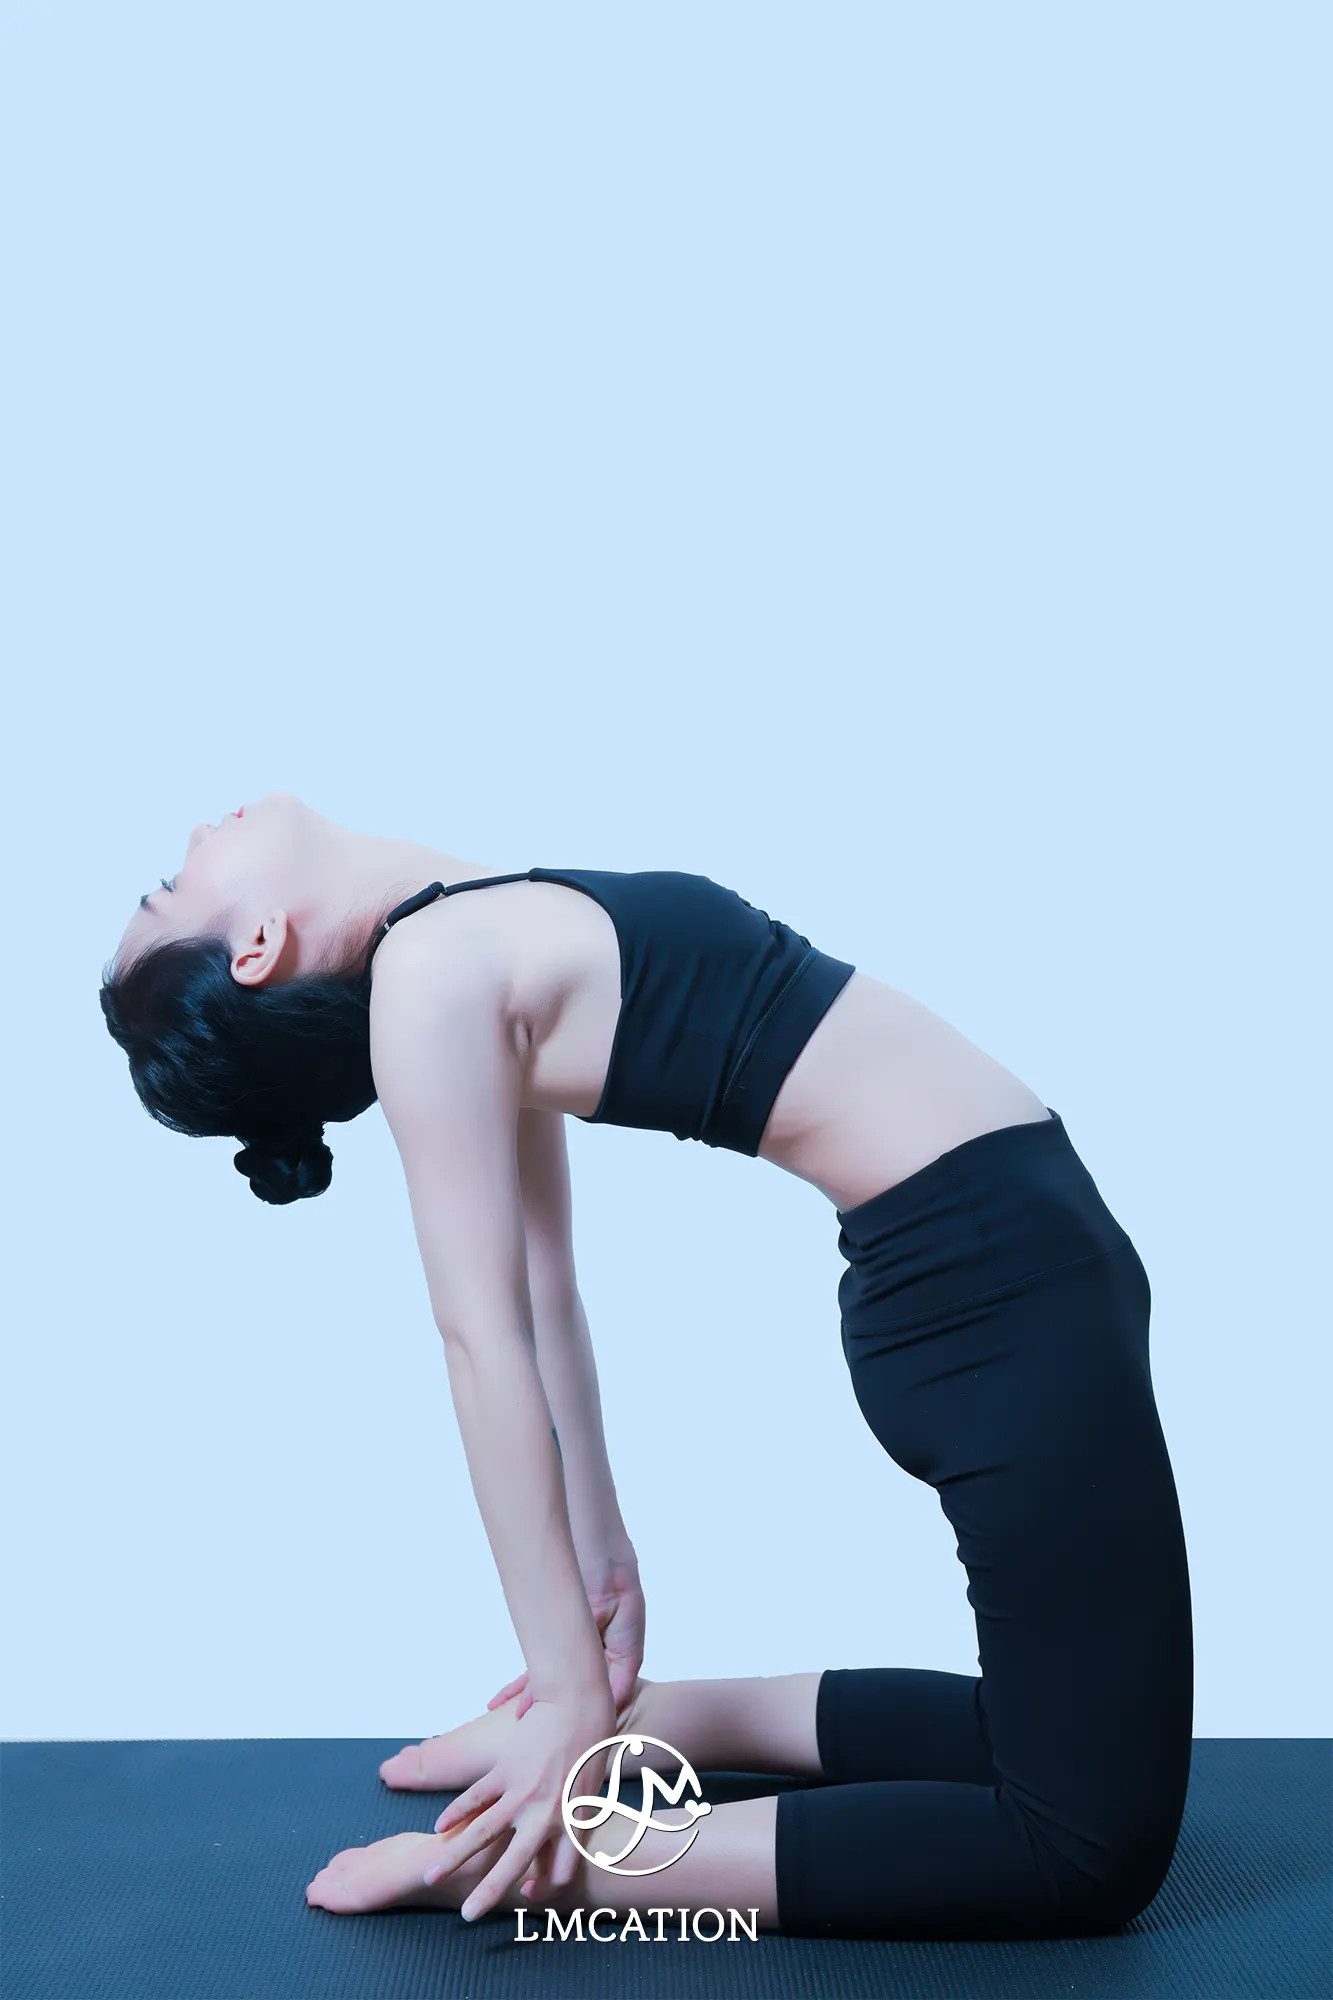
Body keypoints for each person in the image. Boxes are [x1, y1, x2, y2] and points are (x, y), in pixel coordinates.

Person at [101, 788, 1193, 1938]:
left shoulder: (458, 925)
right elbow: (483, 1339)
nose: (194, 837)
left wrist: (600, 1562)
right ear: (257, 942)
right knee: (1082, 1846)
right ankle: (535, 1862)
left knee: (1045, 1743)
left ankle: (664, 1724)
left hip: (993, 1274)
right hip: (994, 1291)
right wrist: (563, 1685)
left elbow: (547, 1289)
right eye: (169, 889)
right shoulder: (429, 977)